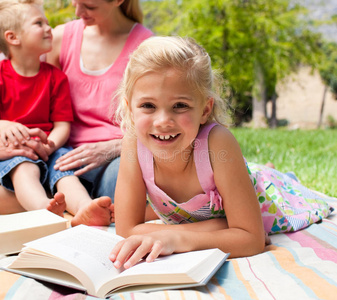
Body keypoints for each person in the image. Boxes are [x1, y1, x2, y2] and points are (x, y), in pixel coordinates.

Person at [108, 36, 333, 269]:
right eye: (148, 106)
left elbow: (251, 239)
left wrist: (174, 237)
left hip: (271, 195)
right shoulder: (134, 144)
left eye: (180, 106)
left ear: (205, 109)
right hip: (222, 201)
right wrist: (223, 228)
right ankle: (261, 171)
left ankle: (271, 174)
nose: (163, 121)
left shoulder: (217, 143)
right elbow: (126, 229)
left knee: (279, 184)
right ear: (130, 109)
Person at [0, 0, 113, 225]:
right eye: (38, 23)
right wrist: (3, 124)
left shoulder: (55, 77)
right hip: (14, 149)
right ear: (13, 38)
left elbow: (62, 125)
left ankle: (84, 209)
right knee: (23, 167)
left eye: (47, 22)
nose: (49, 28)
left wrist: (49, 145)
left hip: (51, 146)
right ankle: (43, 210)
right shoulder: (1, 76)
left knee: (65, 169)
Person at [46, 0, 153, 221]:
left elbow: (156, 120)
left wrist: (114, 147)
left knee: (120, 184)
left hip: (119, 153)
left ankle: (96, 215)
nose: (78, 12)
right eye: (74, 2)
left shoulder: (146, 47)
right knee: (52, 164)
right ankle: (84, 209)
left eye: (89, 6)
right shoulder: (60, 38)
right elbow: (28, 92)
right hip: (66, 155)